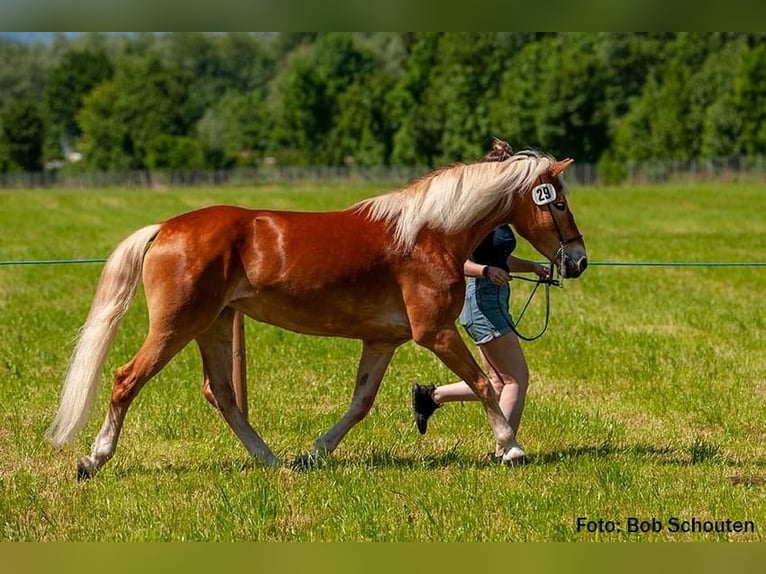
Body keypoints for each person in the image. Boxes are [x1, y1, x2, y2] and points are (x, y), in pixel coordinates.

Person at [411, 139, 550, 462]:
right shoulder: (471, 218)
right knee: (516, 378)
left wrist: (532, 267)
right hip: (480, 299)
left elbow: (501, 258)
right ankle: (506, 448)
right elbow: (452, 263)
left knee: (500, 383)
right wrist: (485, 271)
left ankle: (431, 396)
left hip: (494, 297)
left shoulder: (498, 218)